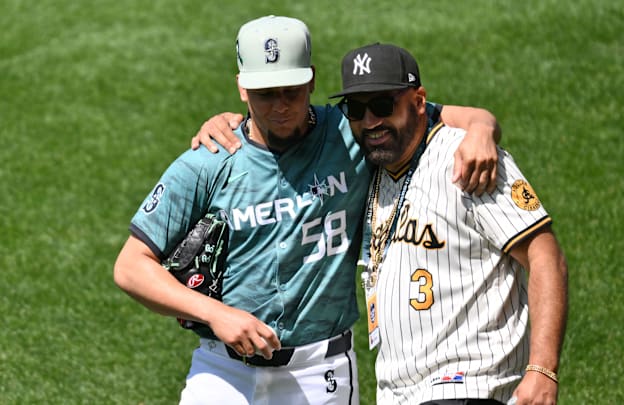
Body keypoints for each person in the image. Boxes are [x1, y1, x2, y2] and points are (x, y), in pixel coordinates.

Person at [114, 16, 501, 405]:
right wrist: (215, 313)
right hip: (222, 373)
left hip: (322, 373)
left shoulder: (350, 131)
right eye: (266, 93)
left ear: (312, 80)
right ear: (242, 87)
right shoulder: (210, 159)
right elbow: (131, 267)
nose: (281, 106)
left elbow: (447, 115)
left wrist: (482, 130)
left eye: (292, 91)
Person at [331, 43, 568, 405]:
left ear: (419, 101)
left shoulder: (471, 161)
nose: (370, 121)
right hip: (398, 392)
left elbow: (544, 254)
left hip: (469, 383)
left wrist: (542, 369)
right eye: (356, 109)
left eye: (383, 106)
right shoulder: (371, 167)